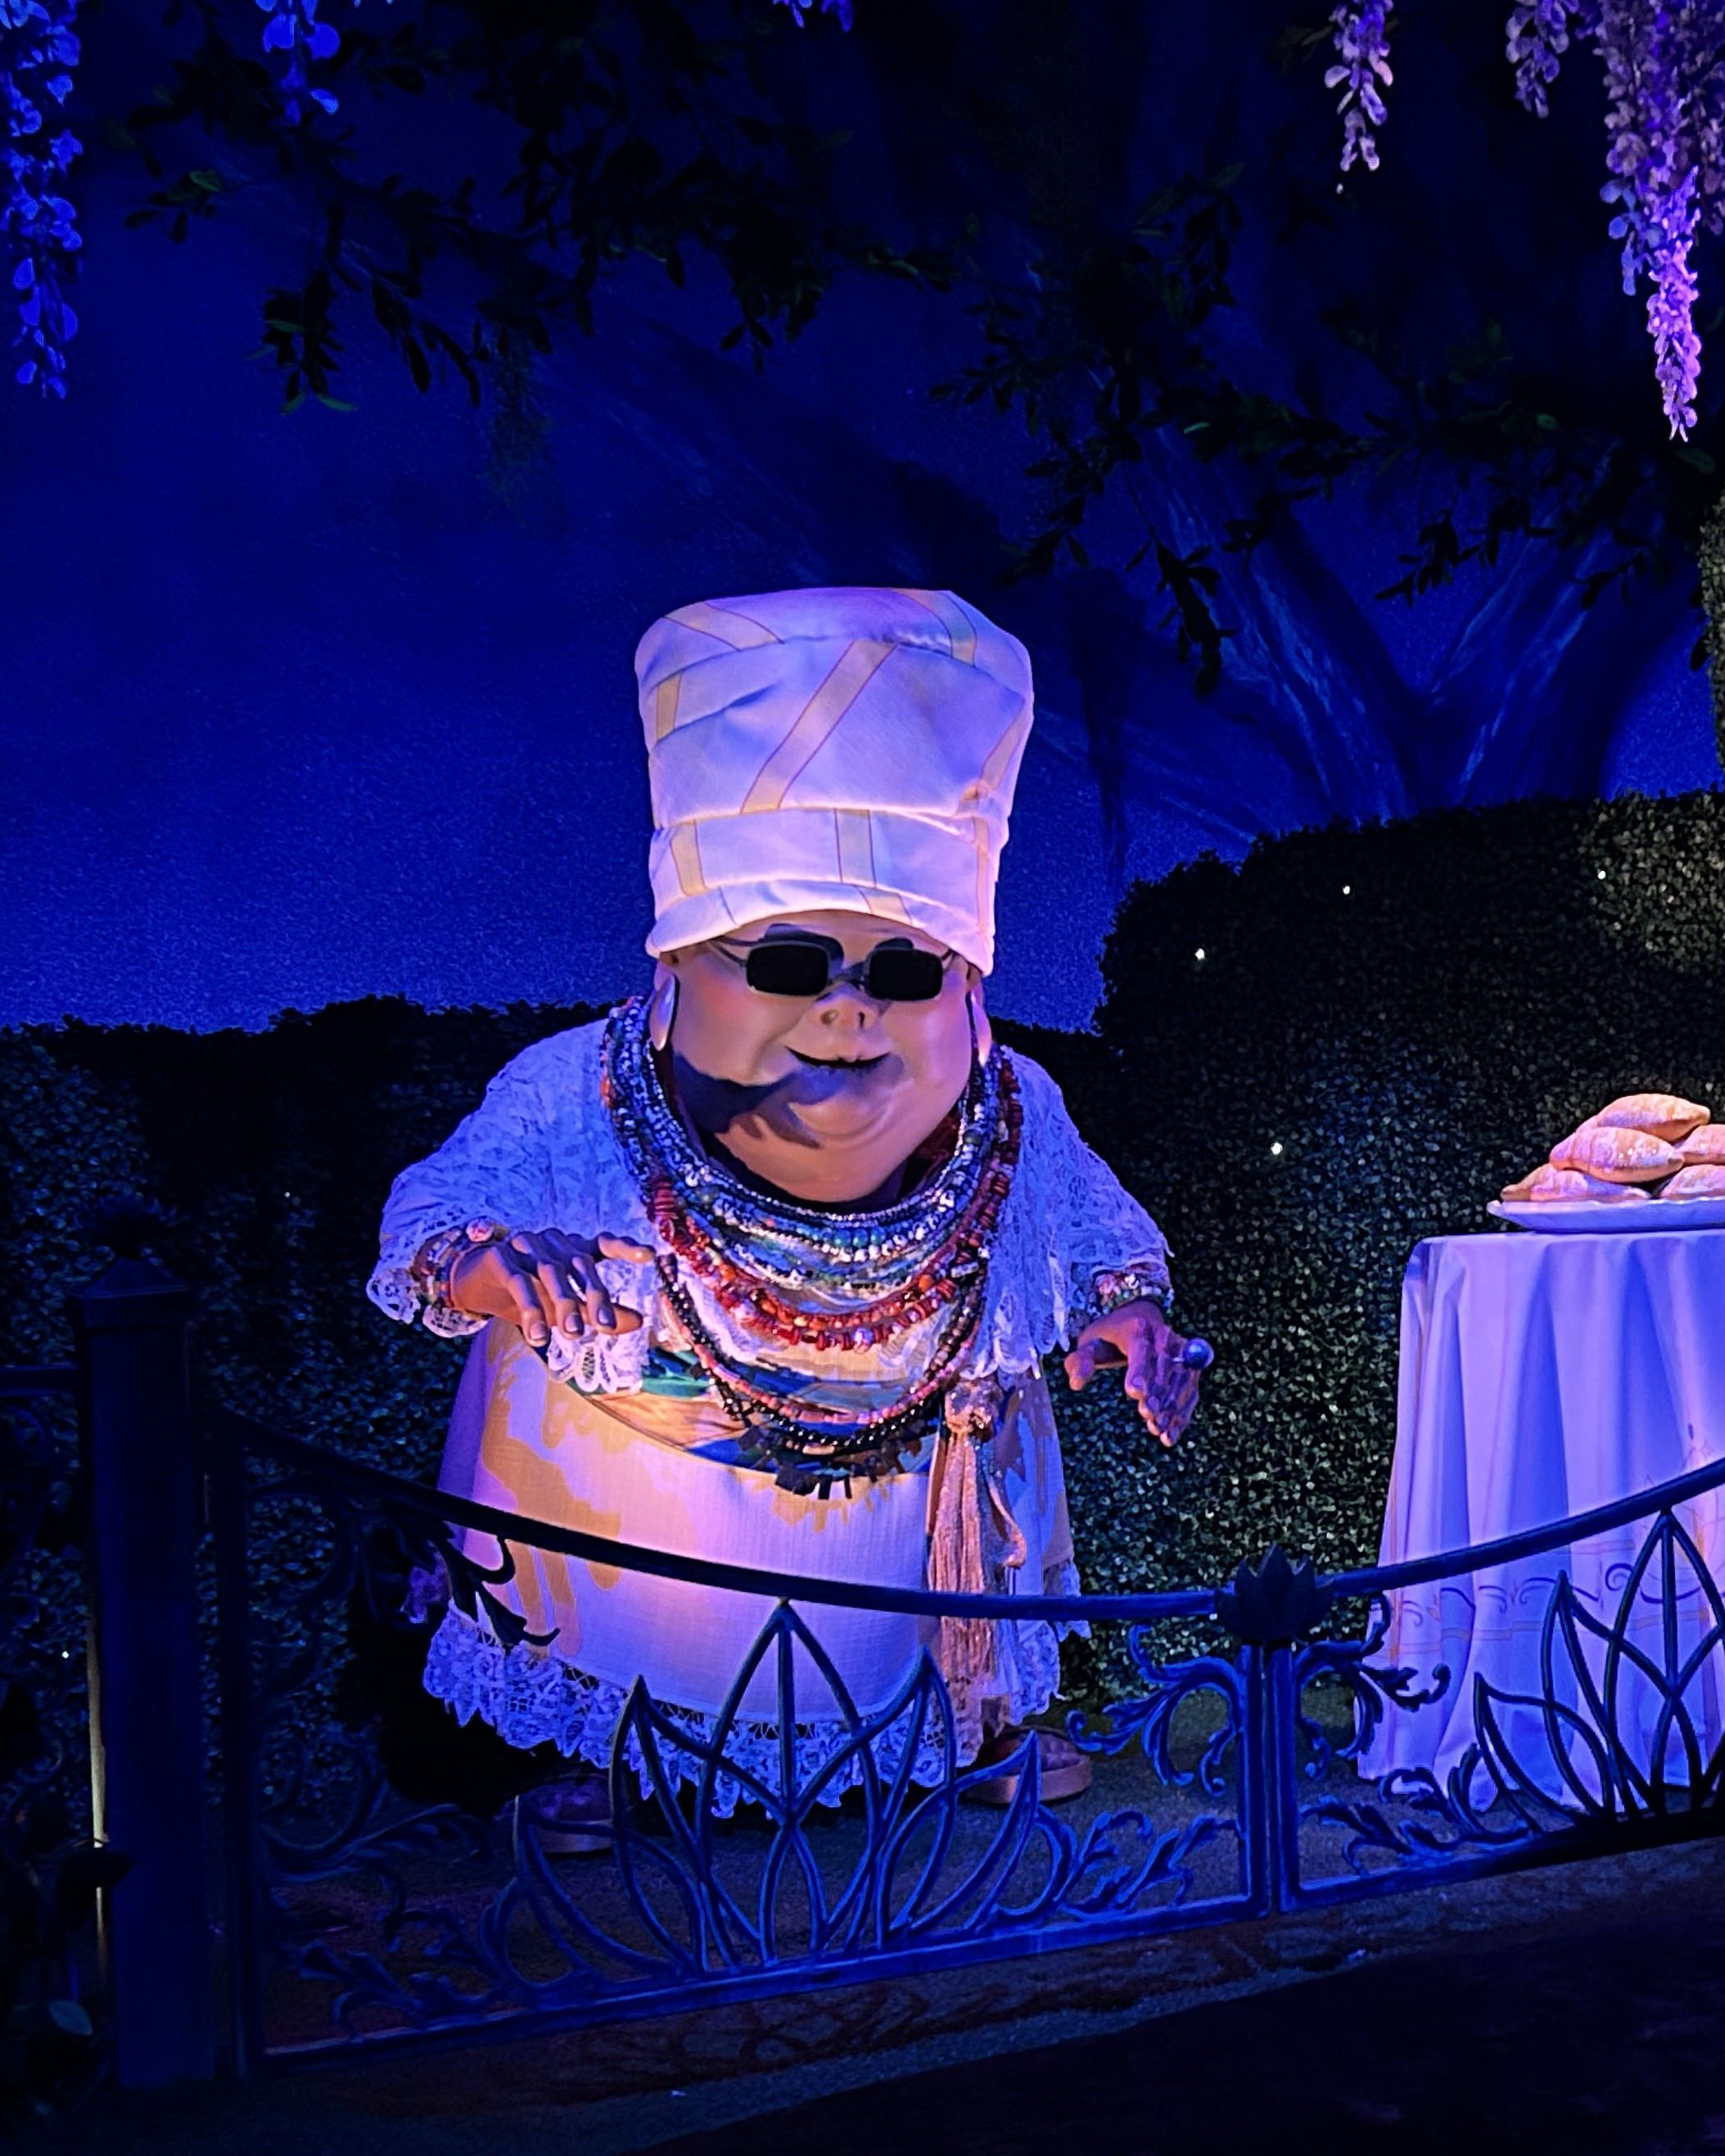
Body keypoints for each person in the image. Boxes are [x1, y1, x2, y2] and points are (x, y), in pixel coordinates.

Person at [368, 587, 1200, 1808]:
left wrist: (1128, 1318)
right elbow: (435, 1219)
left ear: (965, 988)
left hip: (910, 1517)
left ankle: (955, 1719)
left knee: (989, 1398)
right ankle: (606, 1750)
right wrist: (495, 1267)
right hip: (644, 1513)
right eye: (794, 964)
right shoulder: (577, 1092)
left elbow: (1096, 1235)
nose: (849, 1009)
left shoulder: (1013, 1109)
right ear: (678, 968)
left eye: (906, 971)